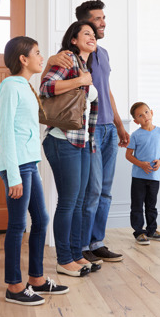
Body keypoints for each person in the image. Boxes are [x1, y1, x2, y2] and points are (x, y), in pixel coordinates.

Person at [0, 36, 69, 306]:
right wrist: (13, 176)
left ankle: (36, 279)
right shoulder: (10, 87)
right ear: (23, 59)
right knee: (17, 226)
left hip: (29, 164)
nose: (42, 57)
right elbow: (6, 134)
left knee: (41, 219)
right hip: (17, 167)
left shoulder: (25, 86)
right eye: (37, 53)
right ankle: (14, 286)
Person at [40, 21, 102, 278]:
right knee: (68, 202)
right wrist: (80, 80)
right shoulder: (66, 60)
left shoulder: (85, 66)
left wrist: (92, 142)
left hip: (82, 142)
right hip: (61, 138)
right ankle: (63, 260)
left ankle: (76, 255)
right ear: (73, 40)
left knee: (78, 202)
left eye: (93, 34)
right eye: (86, 33)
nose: (92, 36)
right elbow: (46, 88)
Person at [75, 0, 130, 263]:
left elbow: (106, 89)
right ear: (85, 24)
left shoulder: (104, 53)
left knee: (106, 190)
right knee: (93, 189)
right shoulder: (73, 54)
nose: (103, 22)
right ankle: (82, 244)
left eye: (104, 17)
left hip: (109, 128)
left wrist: (120, 124)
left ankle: (97, 242)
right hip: (91, 129)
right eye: (98, 19)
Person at [125, 102, 160, 245]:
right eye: (140, 115)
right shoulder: (135, 135)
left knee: (152, 205)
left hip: (154, 177)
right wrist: (141, 164)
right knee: (137, 204)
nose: (145, 116)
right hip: (138, 177)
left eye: (146, 112)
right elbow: (128, 155)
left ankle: (151, 230)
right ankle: (139, 232)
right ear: (135, 121)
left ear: (151, 112)